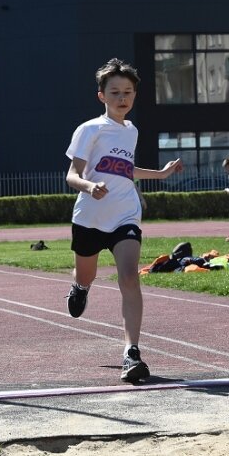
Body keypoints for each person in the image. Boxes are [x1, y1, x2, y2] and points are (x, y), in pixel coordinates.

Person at [64, 58, 183, 383]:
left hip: (125, 214)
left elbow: (124, 169)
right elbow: (72, 175)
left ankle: (131, 353)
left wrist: (159, 174)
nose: (122, 97)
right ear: (102, 95)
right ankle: (79, 286)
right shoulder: (89, 129)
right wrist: (90, 186)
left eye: (128, 91)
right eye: (115, 92)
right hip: (89, 215)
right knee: (86, 274)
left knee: (129, 277)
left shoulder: (131, 130)